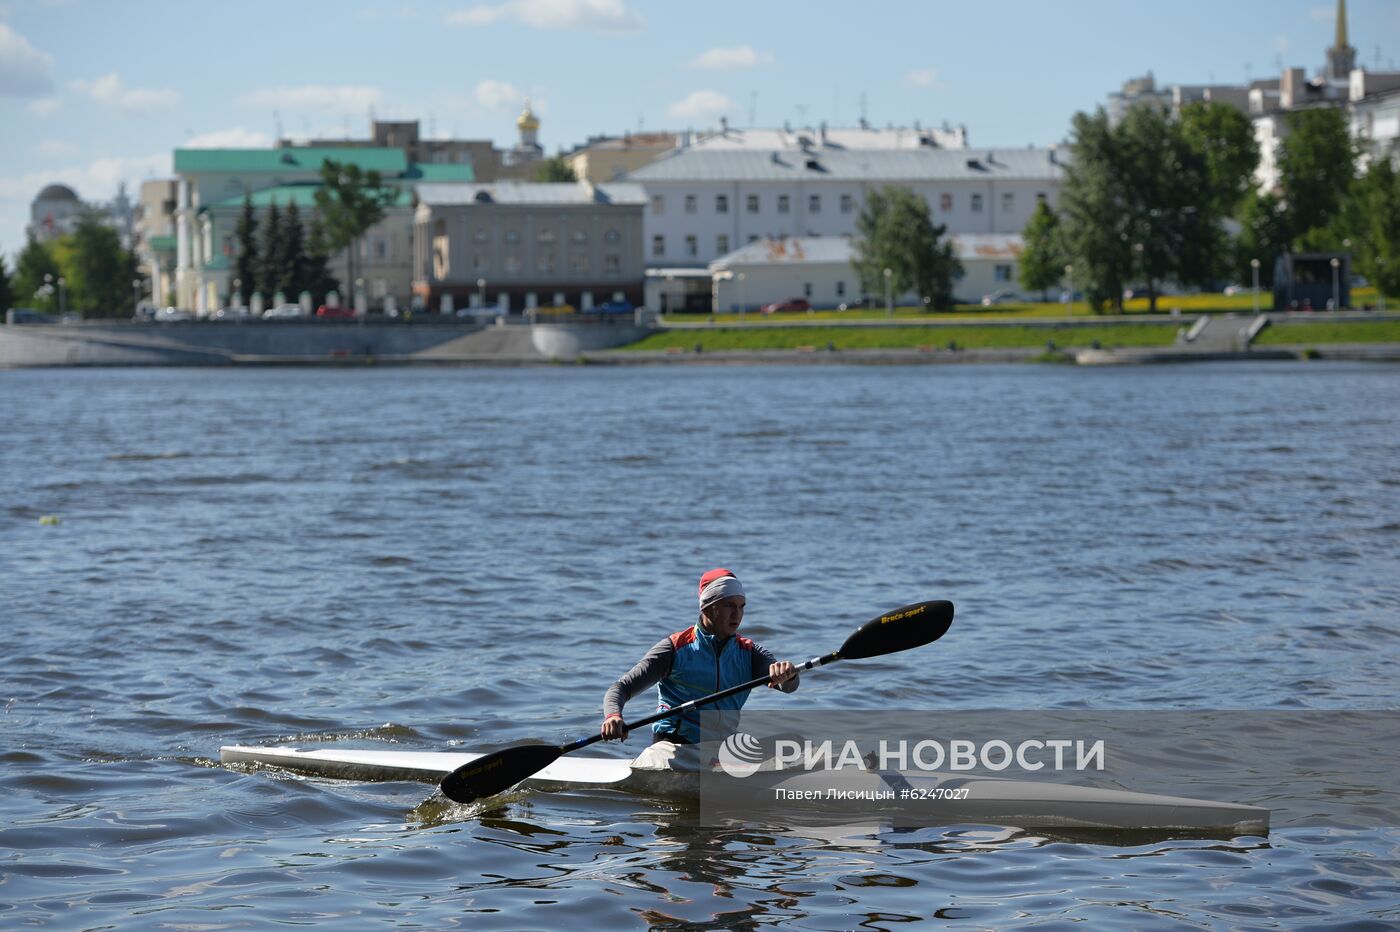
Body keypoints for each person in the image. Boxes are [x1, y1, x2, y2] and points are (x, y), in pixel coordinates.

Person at [601, 568, 798, 745]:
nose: (737, 614)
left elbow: (788, 686)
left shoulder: (750, 653)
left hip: (720, 749)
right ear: (707, 607)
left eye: (741, 606)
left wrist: (787, 675)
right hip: (674, 746)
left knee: (794, 742)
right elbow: (620, 688)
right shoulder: (674, 648)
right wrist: (612, 716)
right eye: (729, 605)